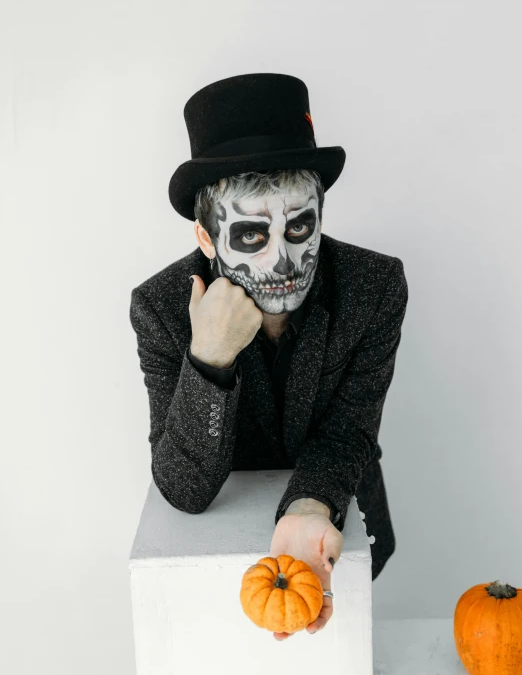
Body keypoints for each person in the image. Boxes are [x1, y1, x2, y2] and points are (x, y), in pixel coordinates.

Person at [129, 72, 409, 640]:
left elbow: (350, 430)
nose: (284, 262)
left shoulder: (374, 285)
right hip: (207, 551)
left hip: (329, 532)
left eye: (300, 226)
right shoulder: (159, 307)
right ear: (207, 238)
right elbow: (182, 489)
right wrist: (209, 356)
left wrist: (310, 506)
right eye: (253, 235)